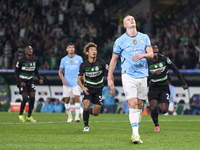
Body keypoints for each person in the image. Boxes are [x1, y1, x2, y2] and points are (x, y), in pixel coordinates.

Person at [107, 15, 153, 144]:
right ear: (124, 25)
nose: (131, 20)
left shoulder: (144, 37)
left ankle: (135, 132)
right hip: (128, 75)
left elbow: (151, 54)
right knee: (132, 103)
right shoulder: (120, 40)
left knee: (139, 105)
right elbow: (114, 59)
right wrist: (109, 77)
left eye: (132, 19)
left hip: (143, 75)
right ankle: (136, 134)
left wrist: (142, 55)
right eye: (128, 20)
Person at [147, 44, 188, 132]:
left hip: (164, 87)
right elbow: (145, 78)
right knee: (153, 107)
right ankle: (156, 125)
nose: (155, 53)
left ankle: (155, 112)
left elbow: (175, 69)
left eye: (156, 51)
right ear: (150, 52)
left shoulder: (164, 59)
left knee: (164, 110)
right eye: (153, 52)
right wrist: (155, 74)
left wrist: (183, 83)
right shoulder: (147, 62)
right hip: (153, 87)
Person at [77, 42, 115, 132]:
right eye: (91, 50)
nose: (94, 52)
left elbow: (110, 75)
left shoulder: (101, 63)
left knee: (96, 113)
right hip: (88, 89)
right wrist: (83, 87)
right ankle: (86, 126)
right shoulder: (84, 65)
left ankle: (85, 112)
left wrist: (112, 88)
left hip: (98, 90)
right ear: (87, 53)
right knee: (86, 106)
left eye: (95, 50)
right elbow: (78, 80)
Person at [15, 46, 43, 123]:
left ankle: (29, 116)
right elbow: (16, 72)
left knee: (33, 98)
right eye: (28, 49)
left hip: (30, 81)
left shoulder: (35, 59)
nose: (30, 50)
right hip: (22, 82)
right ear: (25, 52)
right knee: (25, 98)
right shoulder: (21, 61)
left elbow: (36, 70)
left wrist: (39, 78)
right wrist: (20, 82)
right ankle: (20, 114)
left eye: (31, 49)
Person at [59, 43, 83, 122]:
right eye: (70, 47)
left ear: (74, 49)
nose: (71, 49)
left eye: (72, 47)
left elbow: (83, 70)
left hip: (76, 83)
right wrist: (62, 78)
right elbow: (60, 71)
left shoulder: (79, 58)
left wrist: (84, 79)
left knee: (77, 98)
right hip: (67, 84)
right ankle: (69, 116)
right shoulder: (63, 60)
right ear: (67, 49)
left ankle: (77, 117)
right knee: (67, 100)